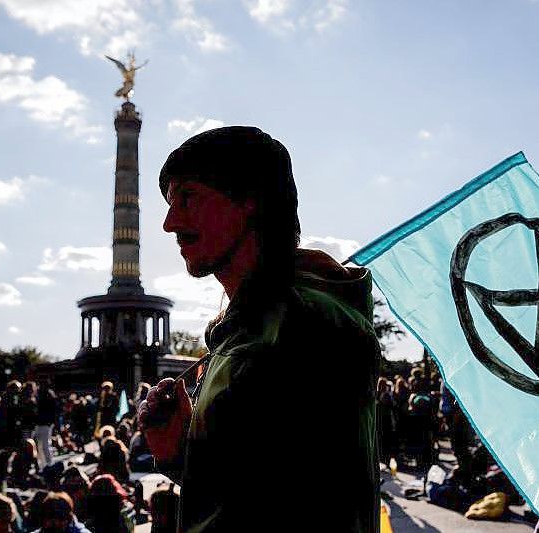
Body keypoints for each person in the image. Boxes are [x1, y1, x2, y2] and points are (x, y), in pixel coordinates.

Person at [139, 126, 380, 532]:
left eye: (188, 198)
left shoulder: (306, 326)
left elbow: (314, 506)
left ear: (249, 200)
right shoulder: (253, 327)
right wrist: (181, 450)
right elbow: (254, 489)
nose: (169, 223)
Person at [34, 381, 58, 470]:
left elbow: (54, 411)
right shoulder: (49, 394)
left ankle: (47, 464)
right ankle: (45, 464)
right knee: (43, 445)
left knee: (43, 445)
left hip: (44, 423)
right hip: (43, 423)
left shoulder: (45, 395)